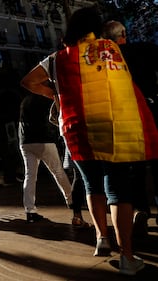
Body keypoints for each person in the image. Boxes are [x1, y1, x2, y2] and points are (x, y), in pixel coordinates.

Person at [20, 7, 158, 275]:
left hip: (75, 129)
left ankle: (101, 239)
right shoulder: (112, 50)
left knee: (91, 184)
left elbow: (28, 81)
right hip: (111, 127)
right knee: (118, 189)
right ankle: (127, 256)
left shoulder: (57, 58)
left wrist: (56, 95)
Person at [102, 20, 158, 232]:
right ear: (123, 34)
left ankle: (141, 209)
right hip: (151, 110)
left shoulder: (106, 59)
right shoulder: (144, 49)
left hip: (123, 116)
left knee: (135, 167)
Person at [18, 94, 77, 224]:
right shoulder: (45, 99)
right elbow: (52, 118)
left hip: (25, 141)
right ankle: (71, 201)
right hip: (43, 140)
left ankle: (30, 211)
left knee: (30, 176)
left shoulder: (25, 100)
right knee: (57, 171)